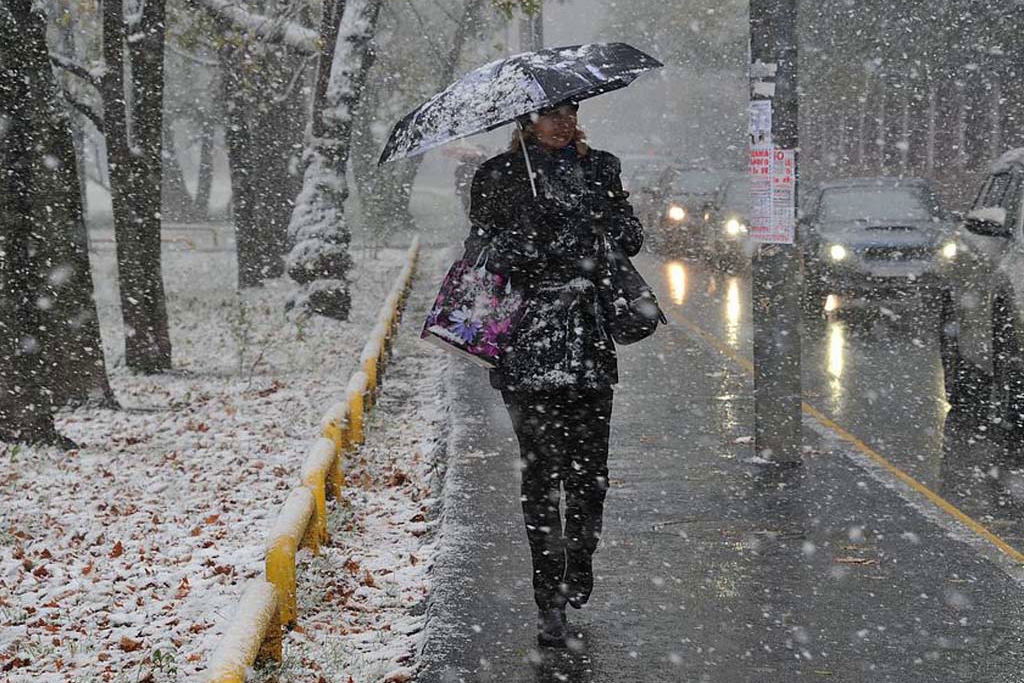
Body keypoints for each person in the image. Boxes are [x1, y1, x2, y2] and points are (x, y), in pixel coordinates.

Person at [464, 99, 643, 648]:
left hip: (587, 340)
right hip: (526, 343)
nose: (563, 123)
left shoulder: (600, 168)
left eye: (570, 112)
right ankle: (549, 599)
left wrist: (602, 221)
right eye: (550, 115)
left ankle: (579, 555)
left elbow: (631, 238)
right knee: (541, 476)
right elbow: (481, 255)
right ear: (526, 121)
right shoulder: (497, 176)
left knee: (590, 475)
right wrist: (529, 236)